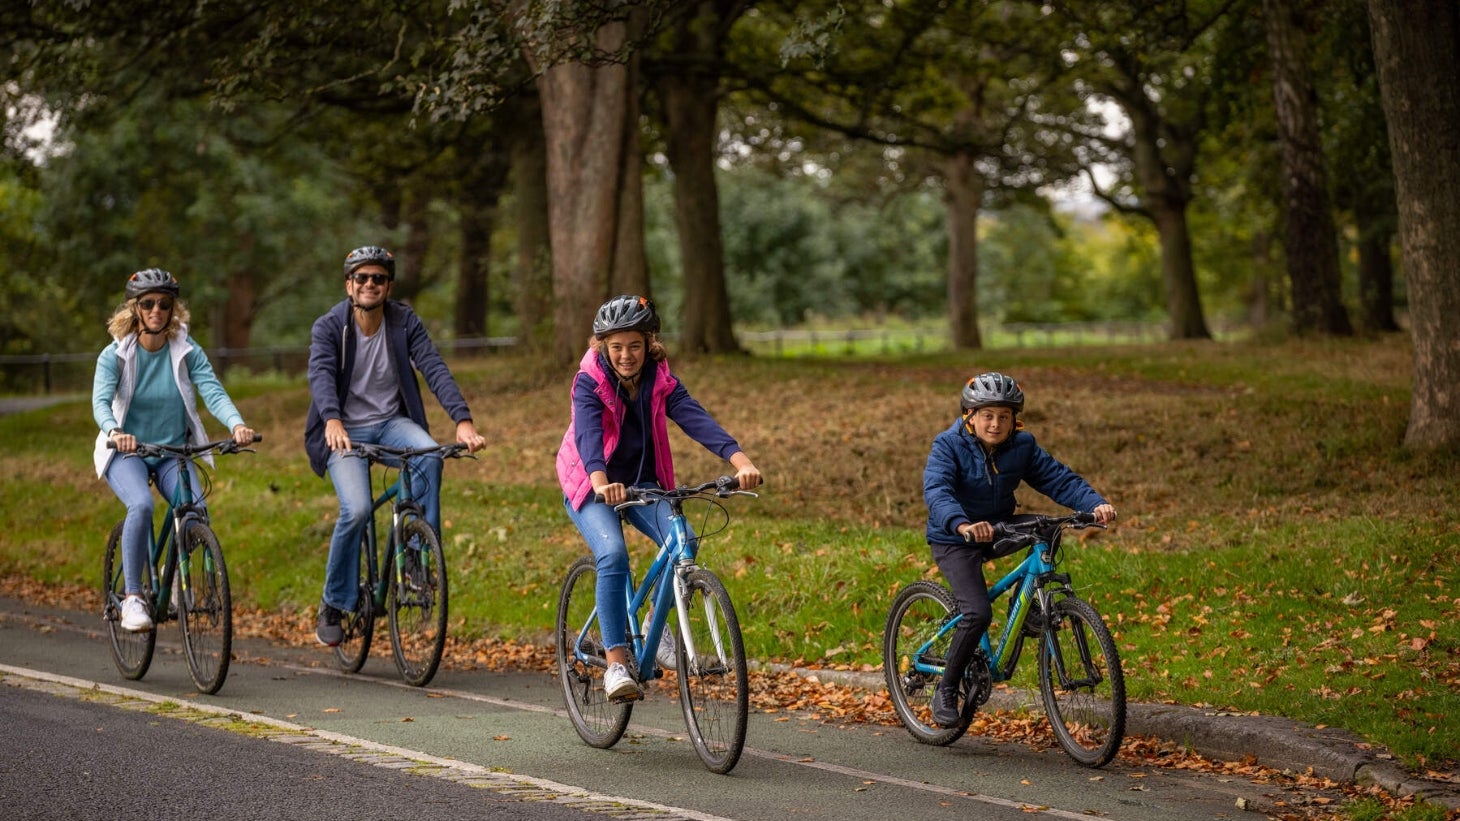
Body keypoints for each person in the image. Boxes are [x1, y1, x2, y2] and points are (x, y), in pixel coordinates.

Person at [556, 294, 762, 702]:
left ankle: (654, 621)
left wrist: (741, 461)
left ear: (649, 343)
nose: (626, 355)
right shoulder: (589, 381)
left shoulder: (659, 379)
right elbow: (588, 435)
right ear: (602, 346)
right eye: (616, 346)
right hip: (591, 482)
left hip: (642, 482)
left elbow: (694, 417)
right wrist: (600, 481)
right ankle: (616, 664)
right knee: (613, 555)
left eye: (634, 345)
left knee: (684, 539)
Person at [304, 245, 487, 647]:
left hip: (391, 424)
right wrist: (331, 418)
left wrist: (462, 420)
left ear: (388, 286)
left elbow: (434, 367)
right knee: (357, 509)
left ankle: (418, 559)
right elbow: (320, 374)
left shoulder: (404, 322)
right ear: (349, 285)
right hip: (343, 431)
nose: (370, 284)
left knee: (429, 456)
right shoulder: (330, 326)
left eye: (379, 278)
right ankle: (333, 603)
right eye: (362, 278)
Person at [922, 371, 1116, 728]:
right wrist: (962, 524)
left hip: (998, 527)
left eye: (1004, 416)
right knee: (977, 612)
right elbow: (937, 491)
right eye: (987, 415)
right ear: (970, 416)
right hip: (956, 537)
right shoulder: (947, 445)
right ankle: (946, 689)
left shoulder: (1021, 446)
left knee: (1048, 528)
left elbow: (1058, 479)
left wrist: (1095, 504)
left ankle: (1026, 607)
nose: (995, 424)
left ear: (1015, 420)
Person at [92, 268, 256, 633]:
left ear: (172, 309)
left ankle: (174, 569)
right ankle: (133, 597)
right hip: (127, 452)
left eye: (164, 304)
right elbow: (100, 402)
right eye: (148, 303)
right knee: (141, 505)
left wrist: (237, 424)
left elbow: (212, 391)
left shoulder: (186, 350)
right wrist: (115, 431)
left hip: (173, 452)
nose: (156, 310)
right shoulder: (114, 355)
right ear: (134, 308)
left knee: (196, 511)